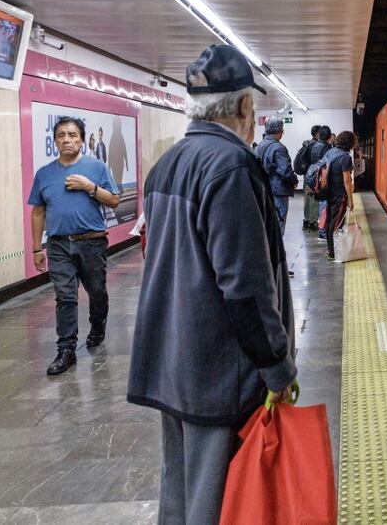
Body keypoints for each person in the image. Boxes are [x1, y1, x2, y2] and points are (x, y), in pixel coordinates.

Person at [127, 44, 296, 525]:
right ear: (245, 106)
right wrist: (276, 367)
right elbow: (244, 285)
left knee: (180, 491)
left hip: (174, 359)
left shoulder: (167, 165)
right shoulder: (230, 167)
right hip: (220, 370)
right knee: (216, 500)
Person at [28, 117, 121, 375]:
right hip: (59, 245)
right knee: (65, 297)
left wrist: (89, 187)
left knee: (97, 291)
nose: (67, 139)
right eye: (61, 135)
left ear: (81, 140)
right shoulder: (44, 174)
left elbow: (113, 200)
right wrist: (37, 248)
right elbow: (38, 212)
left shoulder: (96, 167)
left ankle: (97, 324)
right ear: (55, 140)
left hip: (91, 242)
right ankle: (66, 349)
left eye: (72, 135)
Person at [256, 117, 298, 237]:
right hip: (278, 190)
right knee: (278, 223)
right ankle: (276, 253)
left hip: (264, 189)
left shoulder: (260, 145)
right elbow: (285, 171)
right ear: (280, 131)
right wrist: (294, 181)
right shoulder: (279, 148)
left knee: (267, 223)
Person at [324, 130, 358, 260]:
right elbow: (347, 180)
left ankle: (330, 249)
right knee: (337, 222)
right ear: (350, 143)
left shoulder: (330, 152)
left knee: (330, 220)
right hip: (340, 194)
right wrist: (350, 199)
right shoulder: (345, 157)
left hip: (329, 192)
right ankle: (333, 251)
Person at [311, 126, 333, 238]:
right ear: (329, 136)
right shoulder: (327, 148)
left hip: (315, 180)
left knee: (321, 205)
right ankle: (323, 232)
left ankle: (322, 230)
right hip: (323, 181)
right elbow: (328, 166)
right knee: (324, 206)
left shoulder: (313, 146)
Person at [300, 125, 322, 231]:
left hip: (306, 176)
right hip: (313, 176)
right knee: (313, 199)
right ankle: (313, 222)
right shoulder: (316, 146)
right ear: (317, 133)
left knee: (307, 199)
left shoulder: (307, 144)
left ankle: (307, 220)